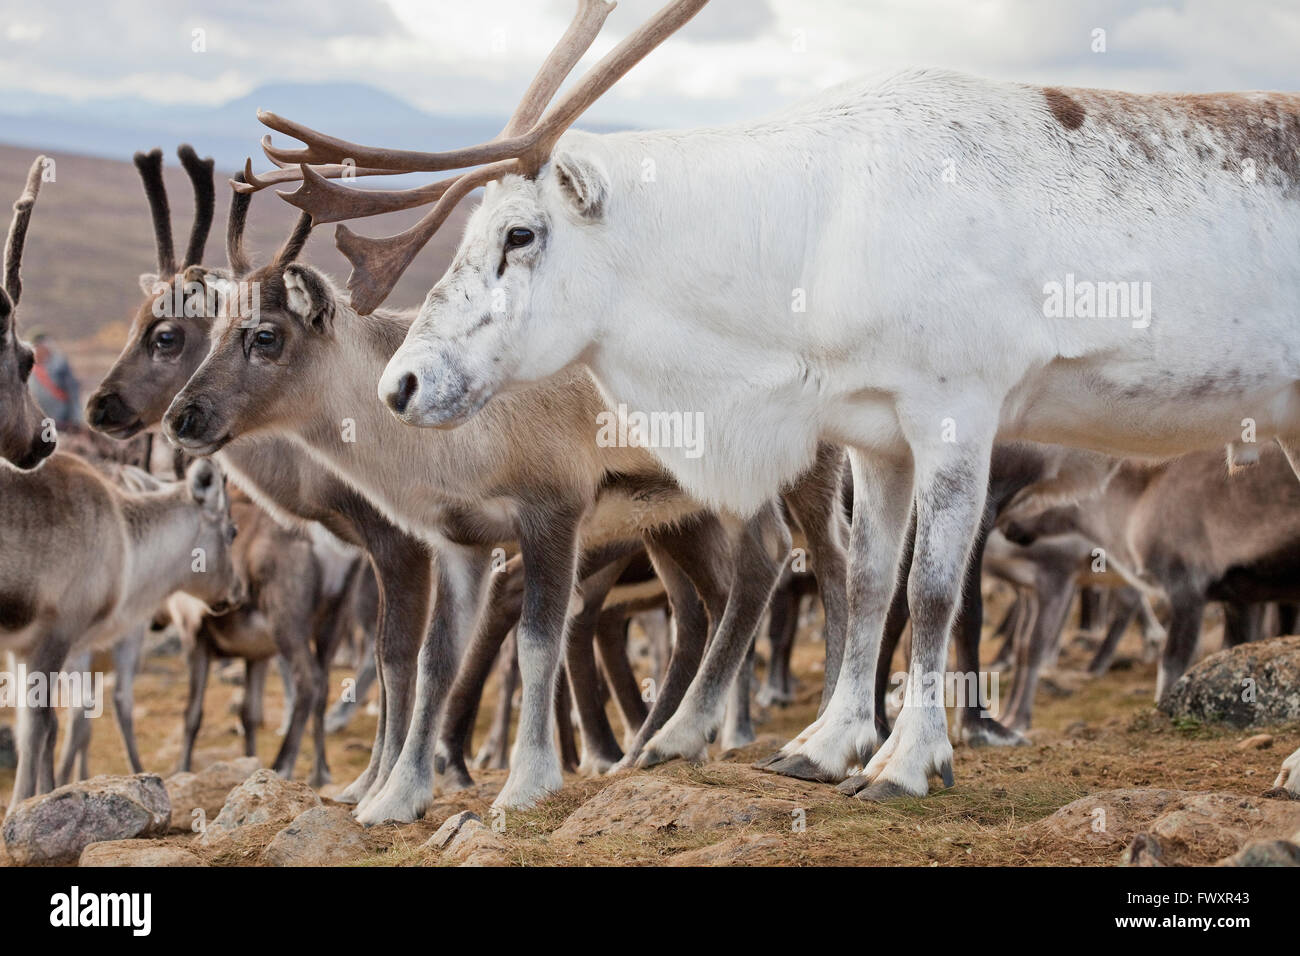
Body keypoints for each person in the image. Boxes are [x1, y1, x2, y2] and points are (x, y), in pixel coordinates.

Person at [28, 330, 82, 427]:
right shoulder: (26, 366)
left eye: (41, 346)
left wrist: (76, 419)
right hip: (34, 422)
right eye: (35, 347)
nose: (38, 350)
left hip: (60, 420)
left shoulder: (60, 365)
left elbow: (73, 393)